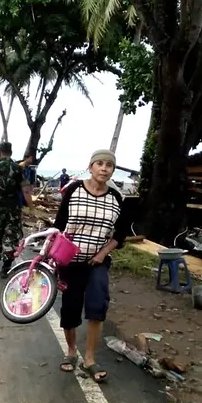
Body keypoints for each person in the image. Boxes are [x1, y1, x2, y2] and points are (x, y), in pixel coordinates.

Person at [54, 149, 126, 383]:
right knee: (70, 308)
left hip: (97, 263)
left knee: (97, 305)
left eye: (109, 165)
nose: (104, 168)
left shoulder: (116, 198)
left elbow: (120, 235)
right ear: (91, 166)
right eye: (100, 164)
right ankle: (72, 350)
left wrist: (103, 253)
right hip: (70, 262)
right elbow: (59, 226)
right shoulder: (73, 190)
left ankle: (90, 358)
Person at [0, 142, 33, 277]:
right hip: (13, 211)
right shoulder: (17, 168)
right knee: (10, 239)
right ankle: (6, 268)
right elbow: (26, 190)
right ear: (11, 152)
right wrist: (31, 207)